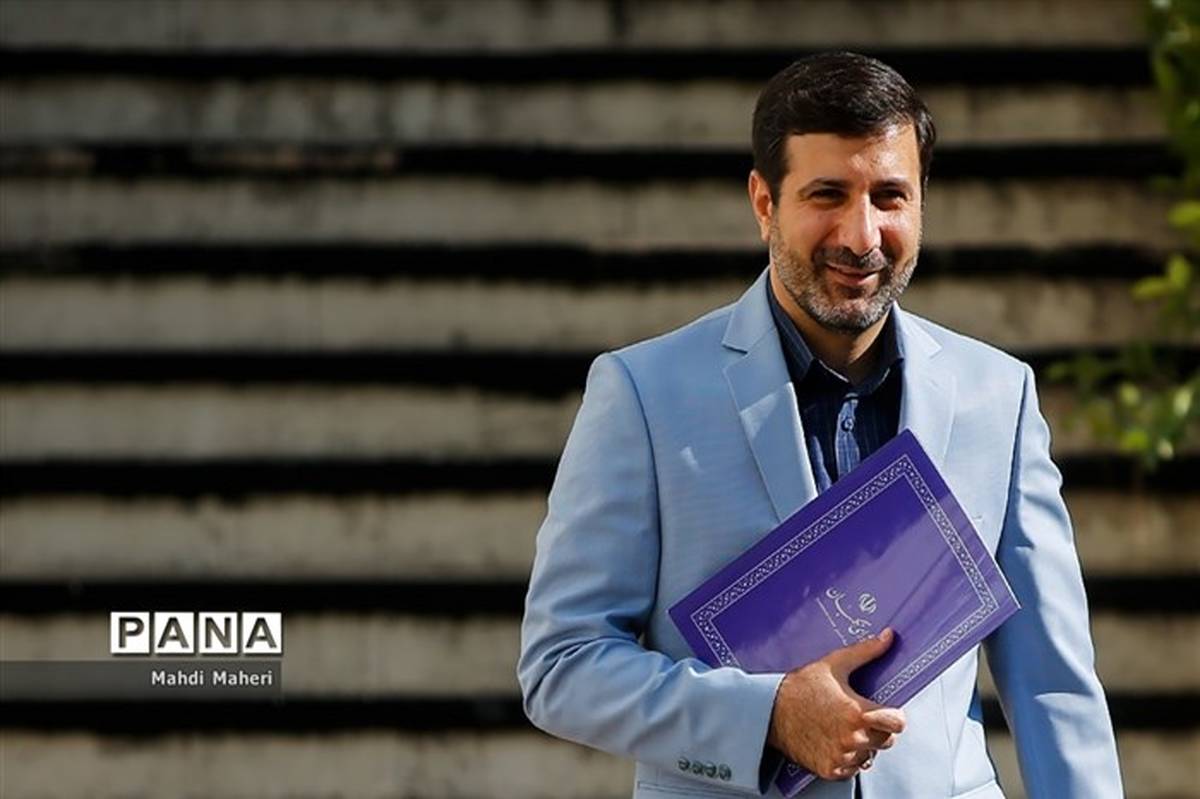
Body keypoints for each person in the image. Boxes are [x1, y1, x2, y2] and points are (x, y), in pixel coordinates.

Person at [517, 52, 1123, 798]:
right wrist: (765, 715)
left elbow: (1054, 683)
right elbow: (561, 665)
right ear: (763, 202)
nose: (861, 235)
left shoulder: (998, 394)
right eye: (827, 194)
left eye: (890, 196)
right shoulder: (643, 393)